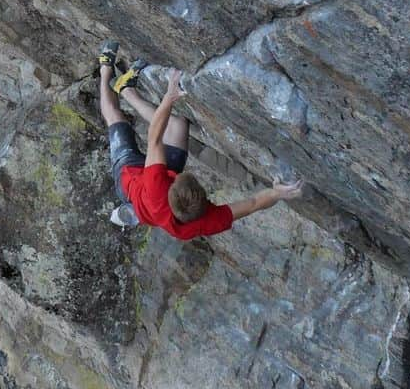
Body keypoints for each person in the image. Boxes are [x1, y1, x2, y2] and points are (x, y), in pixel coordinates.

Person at [97, 41, 302, 240]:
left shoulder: (156, 189)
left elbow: (155, 139)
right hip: (153, 190)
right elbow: (253, 203)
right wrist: (276, 193)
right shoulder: (203, 221)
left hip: (128, 178)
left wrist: (169, 97)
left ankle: (105, 67)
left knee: (116, 119)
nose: (179, 175)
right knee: (178, 126)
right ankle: (127, 90)